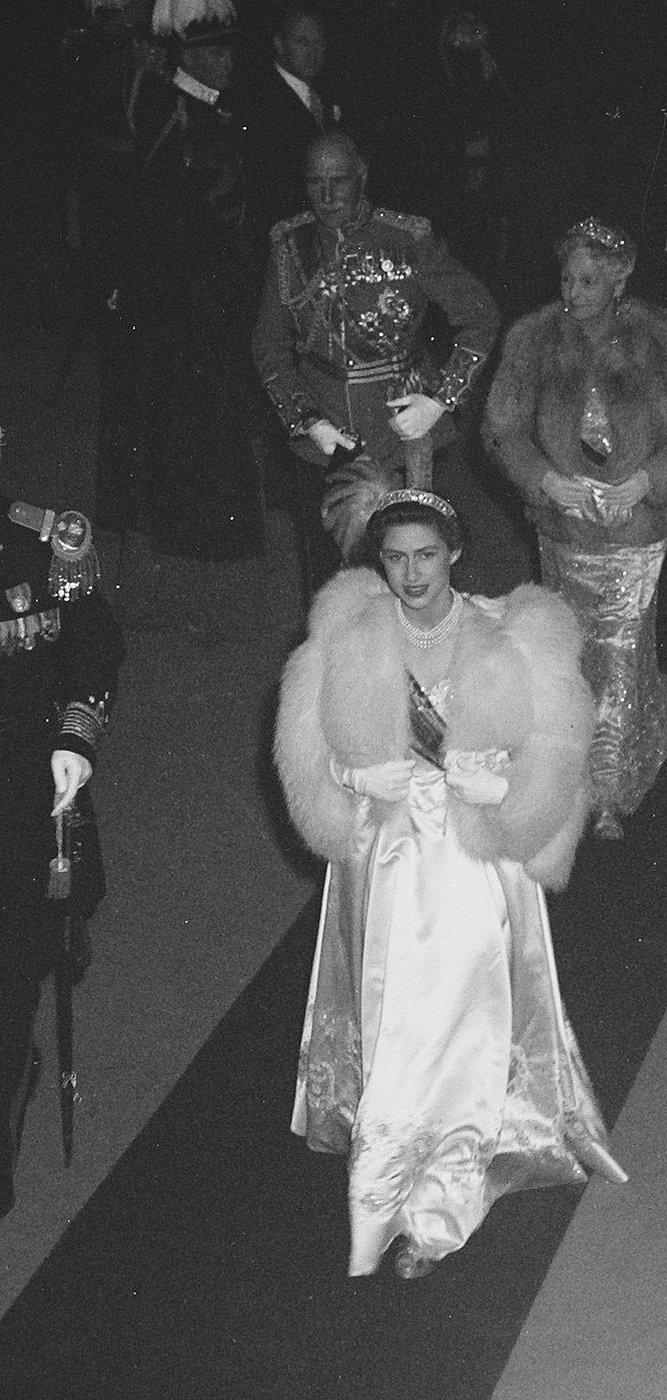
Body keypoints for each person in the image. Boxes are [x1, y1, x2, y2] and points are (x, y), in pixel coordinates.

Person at [274, 487, 626, 1278]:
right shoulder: (347, 634)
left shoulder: (510, 632)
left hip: (475, 855)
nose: (410, 574)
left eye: (426, 555)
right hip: (387, 854)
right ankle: (393, 1179)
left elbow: (560, 753)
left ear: (454, 554)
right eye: (394, 557)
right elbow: (308, 751)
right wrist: (353, 776)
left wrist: (504, 792)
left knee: (462, 1024)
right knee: (395, 1015)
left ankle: (437, 1208)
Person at [483, 215, 667, 839]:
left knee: (619, 644)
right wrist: (544, 480)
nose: (574, 292)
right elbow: (501, 429)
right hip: (564, 530)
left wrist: (647, 481)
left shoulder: (661, 340)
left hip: (635, 527)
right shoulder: (533, 339)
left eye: (589, 281)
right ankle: (591, 740)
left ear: (620, 281)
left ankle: (608, 785)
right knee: (572, 642)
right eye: (567, 279)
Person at [252, 131, 500, 585]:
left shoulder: (405, 238)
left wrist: (440, 401)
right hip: (324, 432)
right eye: (315, 183)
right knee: (332, 583)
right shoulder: (290, 246)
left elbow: (480, 316)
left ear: (362, 176)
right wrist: (307, 420)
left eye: (339, 181)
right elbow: (269, 346)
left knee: (412, 573)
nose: (327, 196)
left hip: (403, 431)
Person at [99, 0, 268, 561]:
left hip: (208, 291)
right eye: (214, 53)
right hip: (187, 296)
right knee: (191, 413)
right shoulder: (177, 117)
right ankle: (196, 534)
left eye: (229, 51)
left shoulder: (211, 110)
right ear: (188, 58)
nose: (227, 63)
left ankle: (204, 528)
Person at [0, 497, 124, 1218]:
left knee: (10, 981)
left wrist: (76, 736)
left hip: (16, 800)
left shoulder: (42, 548)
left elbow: (94, 646)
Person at [244, 2, 342, 233]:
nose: (313, 53)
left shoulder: (327, 93)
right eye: (302, 42)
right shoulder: (261, 101)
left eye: (319, 42)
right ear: (279, 44)